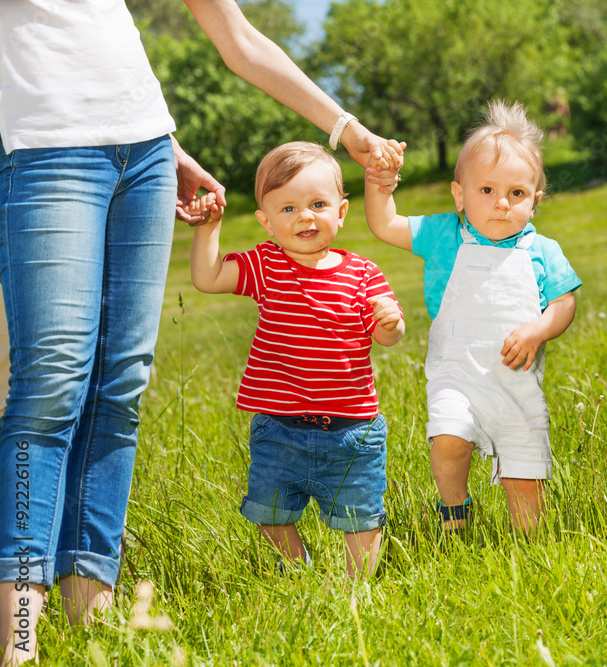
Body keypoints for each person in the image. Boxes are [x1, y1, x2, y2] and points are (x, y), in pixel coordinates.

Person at [0, 1, 403, 663]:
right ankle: (19, 636)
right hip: (44, 147)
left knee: (120, 387)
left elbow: (237, 35)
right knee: (51, 385)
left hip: (147, 153)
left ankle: (91, 617)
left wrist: (344, 129)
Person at [187, 142, 403, 578]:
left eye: (317, 204)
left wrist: (390, 322)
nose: (305, 216)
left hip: (351, 430)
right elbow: (208, 278)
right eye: (287, 209)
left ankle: (355, 588)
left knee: (361, 517)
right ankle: (298, 575)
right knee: (269, 513)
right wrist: (209, 227)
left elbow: (386, 337)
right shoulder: (265, 265)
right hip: (278, 427)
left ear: (341, 212)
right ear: (266, 222)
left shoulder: (362, 273)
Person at [364, 101, 581, 534]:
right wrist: (380, 186)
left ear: (534, 202)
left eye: (516, 194)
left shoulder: (541, 250)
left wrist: (539, 330)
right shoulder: (443, 234)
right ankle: (454, 513)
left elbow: (564, 303)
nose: (502, 203)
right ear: (460, 194)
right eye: (487, 191)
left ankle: (532, 543)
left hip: (516, 381)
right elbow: (384, 225)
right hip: (456, 375)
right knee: (448, 440)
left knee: (524, 478)